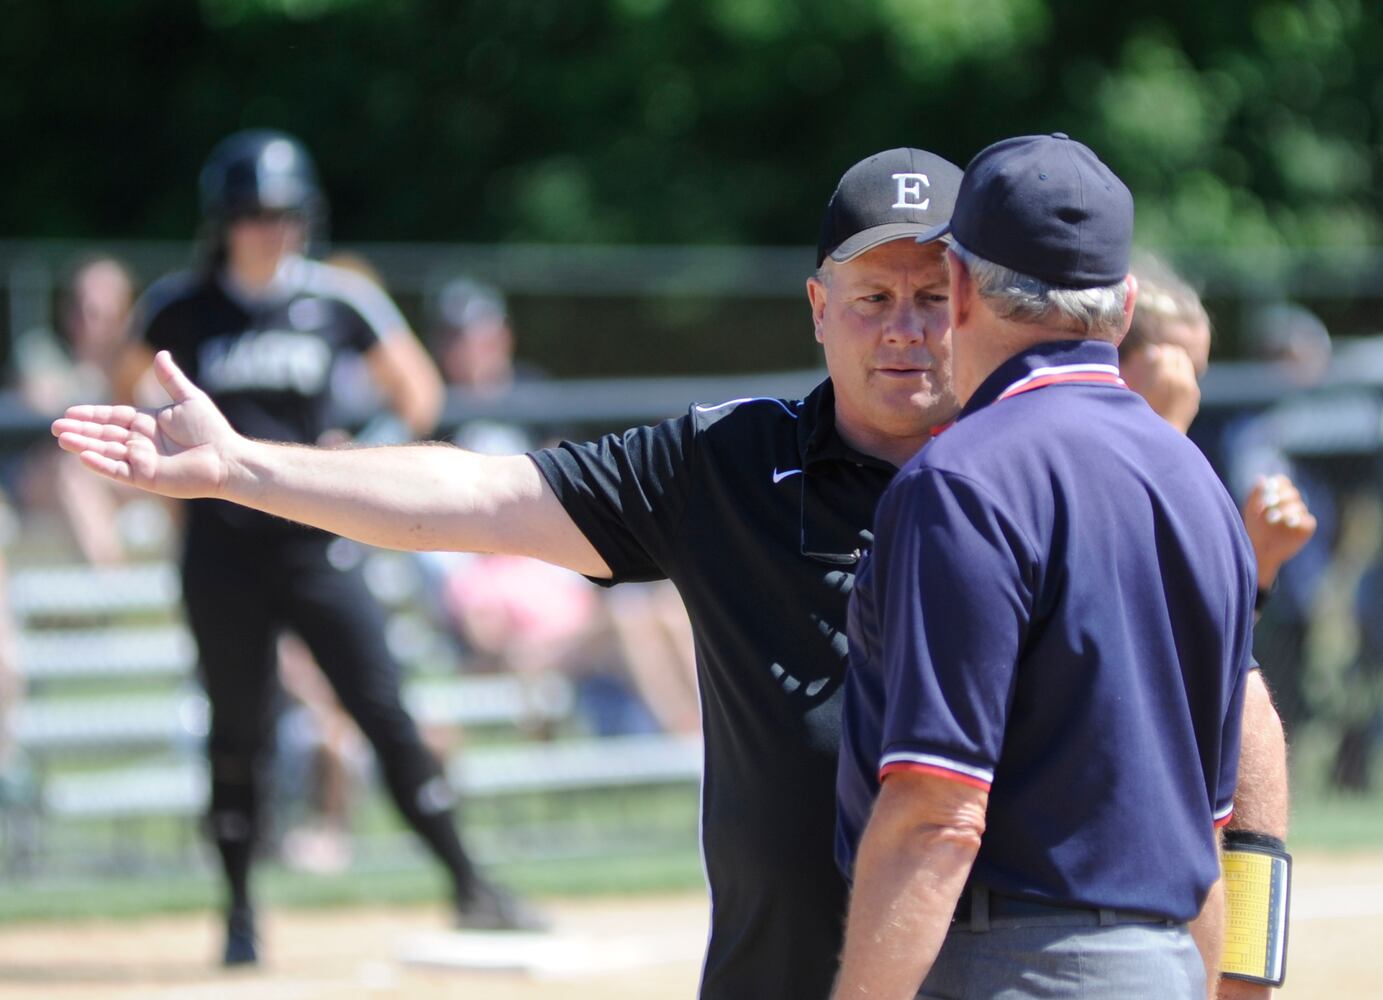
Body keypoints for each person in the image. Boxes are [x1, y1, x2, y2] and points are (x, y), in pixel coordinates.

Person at [51, 146, 1286, 999]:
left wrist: (1252, 959)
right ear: (816, 305)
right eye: (873, 295)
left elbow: (1236, 731)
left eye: (928, 292)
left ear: (970, 297)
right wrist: (243, 468)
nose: (906, 327)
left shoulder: (1022, 472)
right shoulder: (729, 462)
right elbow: (485, 497)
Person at [833, 134, 1261, 999]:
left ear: (956, 287)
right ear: (1125, 300)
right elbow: (1218, 826)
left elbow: (937, 813)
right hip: (1167, 965)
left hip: (1010, 969)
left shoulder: (962, 479)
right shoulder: (1198, 485)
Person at [108, 129, 543, 965]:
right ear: (224, 220)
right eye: (256, 214)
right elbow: (123, 389)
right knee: (237, 727)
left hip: (317, 543)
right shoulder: (179, 306)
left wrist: (360, 455)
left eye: (286, 213)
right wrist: (160, 471)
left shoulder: (338, 300)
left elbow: (417, 391)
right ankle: (238, 914)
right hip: (222, 550)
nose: (274, 230)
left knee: (382, 707)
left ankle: (470, 883)